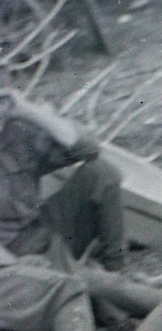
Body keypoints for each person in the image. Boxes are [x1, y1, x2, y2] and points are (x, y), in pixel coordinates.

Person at [0, 90, 125, 270]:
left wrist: (33, 113)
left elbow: (89, 150)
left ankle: (116, 270)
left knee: (101, 173)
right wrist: (15, 266)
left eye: (4, 102)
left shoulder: (17, 134)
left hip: (43, 230)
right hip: (14, 254)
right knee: (90, 285)